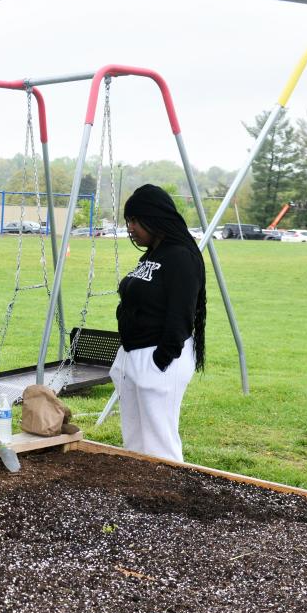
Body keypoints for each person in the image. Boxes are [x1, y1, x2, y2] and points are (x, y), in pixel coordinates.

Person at [109, 184, 206, 462]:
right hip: (132, 357)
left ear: (154, 218)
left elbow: (181, 315)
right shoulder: (152, 254)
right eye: (128, 220)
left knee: (160, 445)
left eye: (135, 220)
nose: (130, 227)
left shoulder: (181, 257)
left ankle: (167, 500)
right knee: (136, 443)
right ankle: (138, 497)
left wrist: (159, 360)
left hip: (158, 359)